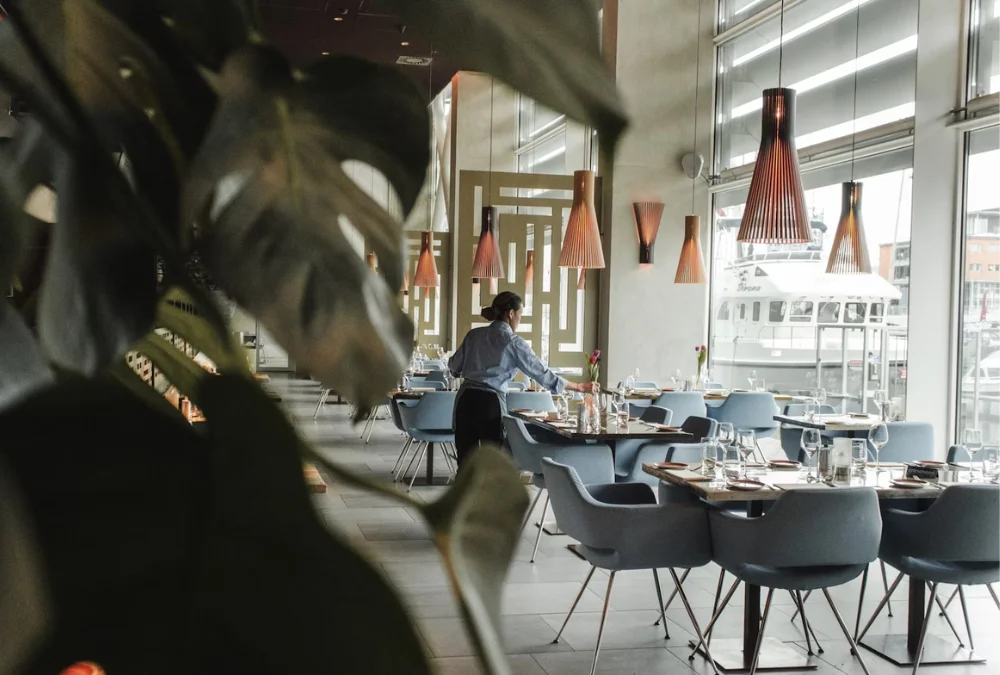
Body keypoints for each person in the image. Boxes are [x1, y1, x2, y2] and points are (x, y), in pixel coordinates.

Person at [448, 291, 598, 467]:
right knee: (493, 465)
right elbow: (541, 373)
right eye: (520, 315)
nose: (519, 320)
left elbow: (453, 366)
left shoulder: (473, 335)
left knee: (465, 463)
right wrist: (578, 387)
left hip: (465, 400)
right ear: (511, 314)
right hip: (490, 404)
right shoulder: (513, 342)